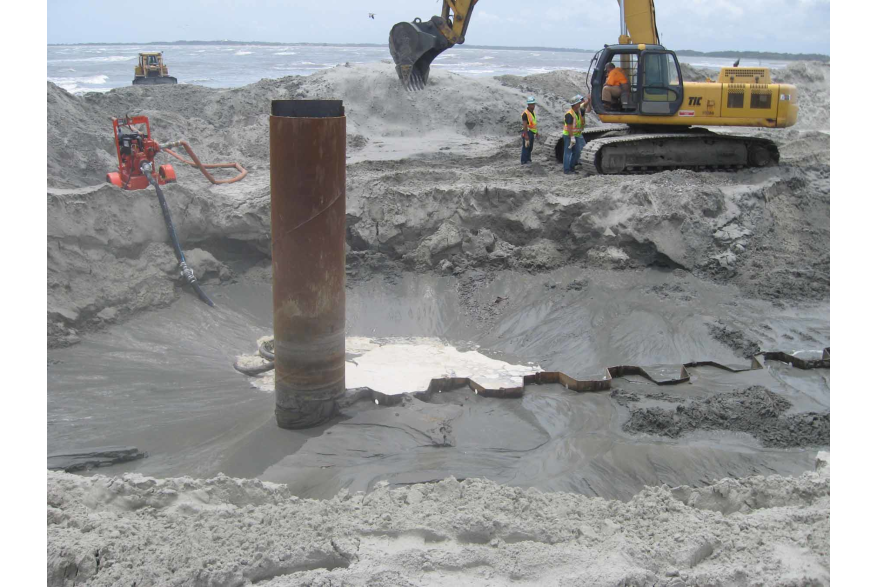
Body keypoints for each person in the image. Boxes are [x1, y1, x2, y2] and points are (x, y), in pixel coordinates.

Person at [563, 94, 590, 175]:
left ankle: (572, 168)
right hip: (569, 135)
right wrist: (572, 138)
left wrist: (589, 100)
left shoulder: (578, 110)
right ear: (575, 104)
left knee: (577, 152)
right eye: (579, 102)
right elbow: (569, 127)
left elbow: (585, 106)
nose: (581, 103)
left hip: (577, 134)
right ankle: (567, 170)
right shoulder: (569, 114)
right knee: (568, 152)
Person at [521, 96, 538, 165]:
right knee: (526, 147)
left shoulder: (532, 112)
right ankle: (524, 161)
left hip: (532, 132)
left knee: (530, 147)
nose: (533, 106)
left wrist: (536, 132)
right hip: (527, 132)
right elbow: (525, 125)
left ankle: (528, 159)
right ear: (528, 105)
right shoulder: (525, 113)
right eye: (531, 104)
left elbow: (533, 123)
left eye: (533, 104)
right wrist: (526, 135)